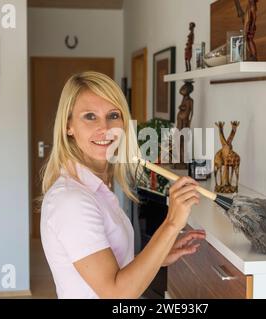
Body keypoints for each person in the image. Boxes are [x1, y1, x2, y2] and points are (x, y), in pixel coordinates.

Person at [40, 71, 205, 299]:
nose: (105, 128)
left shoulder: (96, 188)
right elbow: (117, 294)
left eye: (113, 115)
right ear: (68, 126)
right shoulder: (72, 202)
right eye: (90, 116)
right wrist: (172, 223)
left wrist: (160, 252)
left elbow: (112, 265)